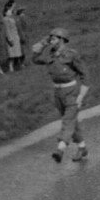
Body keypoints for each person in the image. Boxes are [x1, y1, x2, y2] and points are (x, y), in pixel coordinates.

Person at [32, 28, 90, 163]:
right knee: (72, 122)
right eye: (50, 38)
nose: (51, 40)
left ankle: (60, 148)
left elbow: (85, 75)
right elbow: (35, 59)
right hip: (58, 93)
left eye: (54, 38)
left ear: (62, 40)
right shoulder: (50, 55)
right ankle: (82, 148)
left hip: (72, 92)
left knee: (68, 121)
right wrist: (42, 44)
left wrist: (81, 95)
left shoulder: (71, 55)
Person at [3, 4, 22, 72]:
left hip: (15, 36)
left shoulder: (11, 18)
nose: (10, 12)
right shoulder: (5, 19)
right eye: (8, 11)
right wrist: (10, 38)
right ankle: (10, 66)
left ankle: (15, 65)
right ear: (5, 12)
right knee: (11, 53)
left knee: (15, 52)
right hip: (11, 37)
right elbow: (7, 29)